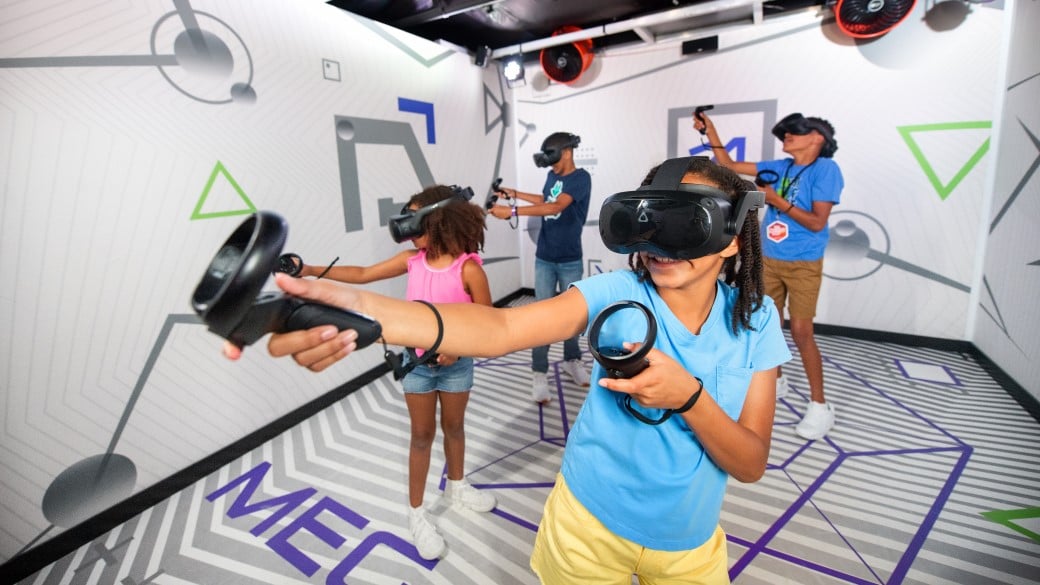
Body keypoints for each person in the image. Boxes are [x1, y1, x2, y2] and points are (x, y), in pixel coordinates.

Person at [225, 156, 791, 583]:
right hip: (584, 529)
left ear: (731, 240)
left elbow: (749, 462)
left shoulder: (757, 319)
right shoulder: (617, 291)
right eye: (651, 222)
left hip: (687, 547)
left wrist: (688, 396)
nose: (662, 247)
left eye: (686, 226)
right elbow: (499, 329)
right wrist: (361, 310)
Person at [294, 184, 497, 561]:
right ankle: (417, 513)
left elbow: (488, 325)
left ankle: (456, 485)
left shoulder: (468, 269)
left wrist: (457, 349)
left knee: (454, 428)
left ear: (438, 221)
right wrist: (308, 270)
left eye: (414, 219)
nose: (407, 228)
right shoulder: (411, 260)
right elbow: (363, 273)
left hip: (457, 366)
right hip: (417, 364)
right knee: (421, 435)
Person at [694, 110, 844, 440]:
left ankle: (820, 406)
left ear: (817, 138)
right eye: (785, 134)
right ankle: (776, 381)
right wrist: (711, 129)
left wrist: (777, 201)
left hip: (804, 263)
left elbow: (817, 222)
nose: (787, 137)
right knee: (765, 324)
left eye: (796, 132)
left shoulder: (826, 170)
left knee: (802, 331)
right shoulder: (780, 167)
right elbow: (729, 165)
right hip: (769, 259)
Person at [488, 132, 592, 404]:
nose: (550, 164)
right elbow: (545, 199)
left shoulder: (581, 179)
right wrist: (515, 194)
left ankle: (572, 360)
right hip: (545, 257)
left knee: (573, 316)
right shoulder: (552, 176)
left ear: (567, 152)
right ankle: (539, 372)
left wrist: (511, 212)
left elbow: (556, 206)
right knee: (541, 319)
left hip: (570, 258)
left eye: (553, 157)